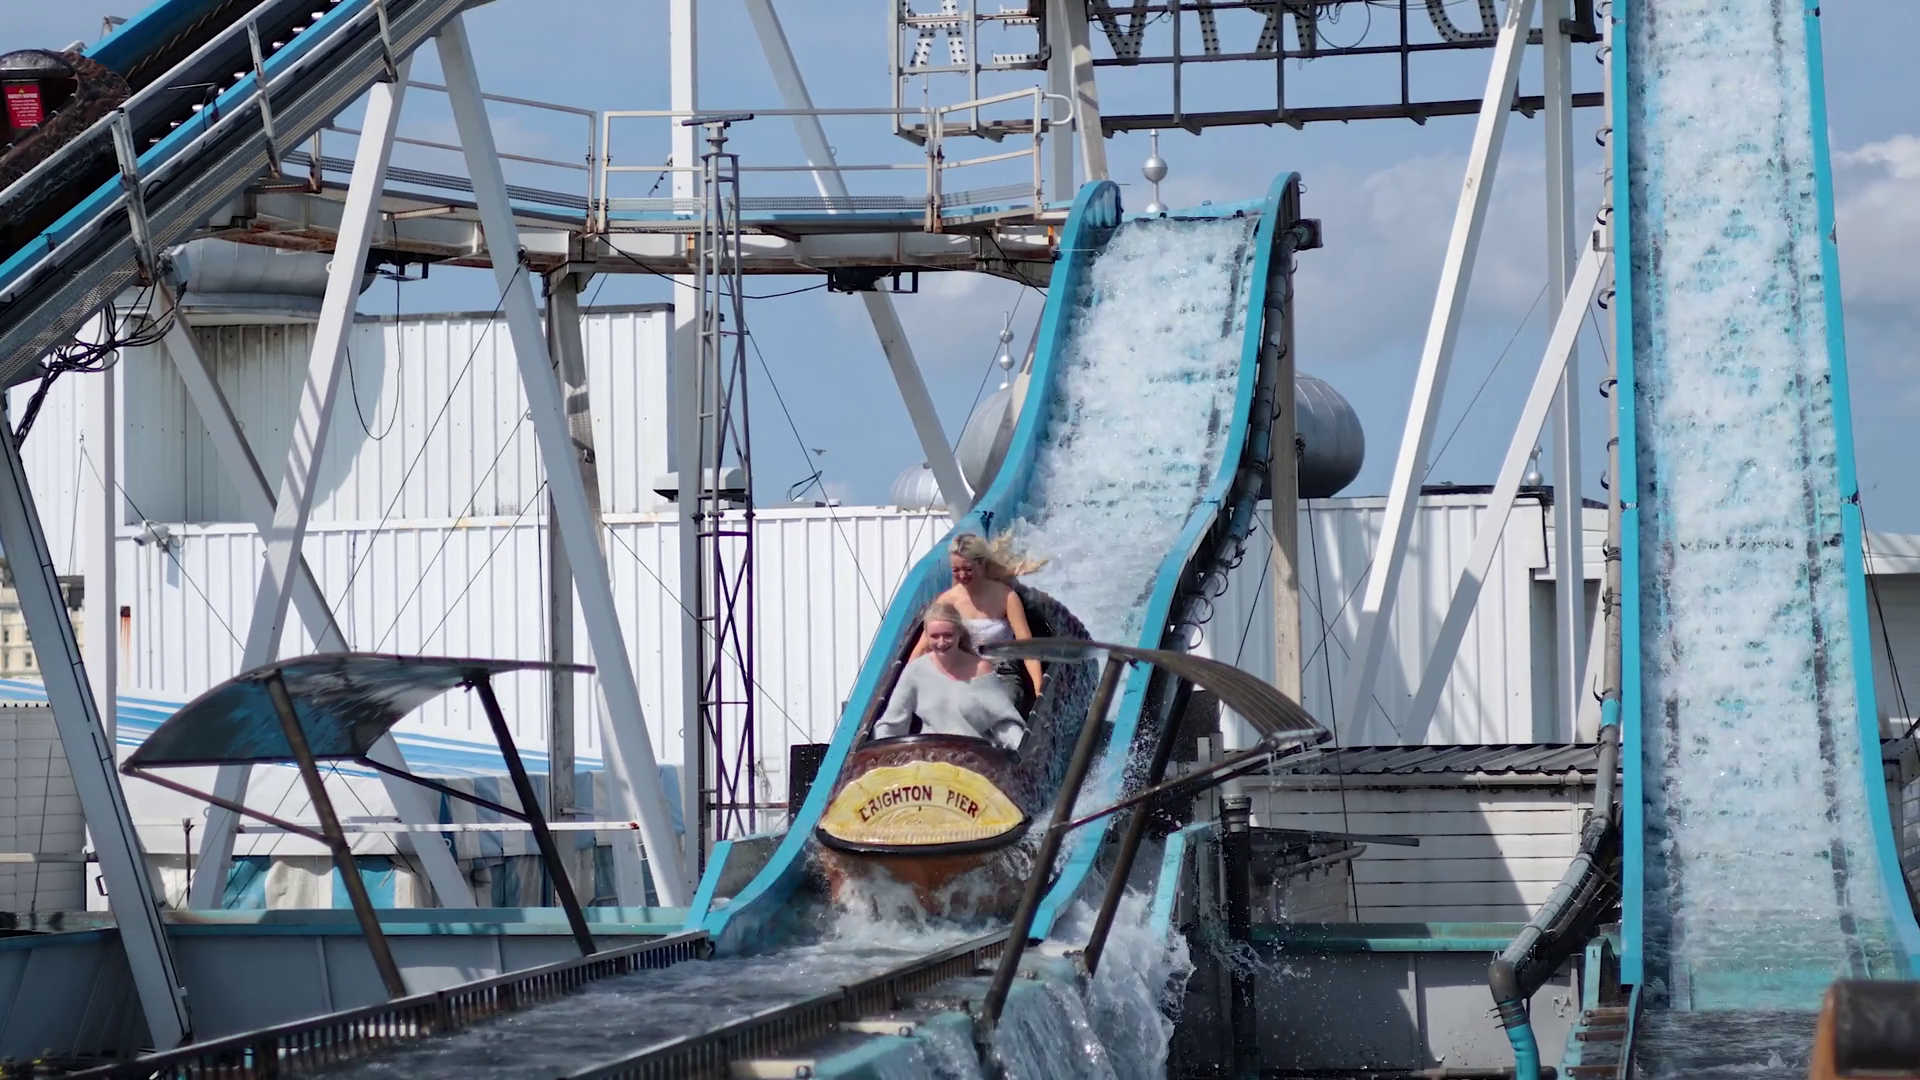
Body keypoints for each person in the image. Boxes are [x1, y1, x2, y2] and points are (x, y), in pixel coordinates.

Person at [910, 532, 1045, 711]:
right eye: (956, 570)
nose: (962, 575)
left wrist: (1039, 689)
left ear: (981, 564)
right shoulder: (948, 601)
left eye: (967, 569)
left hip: (1001, 672)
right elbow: (924, 646)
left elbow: (1027, 647)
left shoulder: (1006, 597)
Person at [873, 602, 1026, 750]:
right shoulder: (915, 671)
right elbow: (892, 723)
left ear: (959, 633)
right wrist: (882, 752)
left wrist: (1020, 749)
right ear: (927, 636)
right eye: (935, 636)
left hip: (974, 756)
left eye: (948, 635)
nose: (941, 643)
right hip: (930, 756)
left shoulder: (980, 669)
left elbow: (1003, 723)